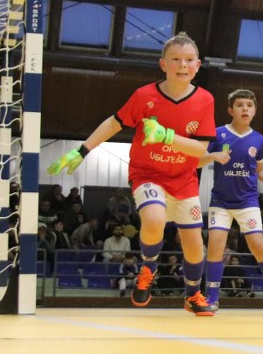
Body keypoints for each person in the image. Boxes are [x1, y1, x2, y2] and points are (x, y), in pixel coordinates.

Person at [46, 32, 217, 315]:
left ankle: (192, 295)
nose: (182, 65)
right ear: (163, 64)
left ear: (198, 65)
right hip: (147, 173)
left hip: (184, 179)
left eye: (189, 60)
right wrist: (82, 151)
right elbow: (114, 123)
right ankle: (148, 268)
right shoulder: (144, 96)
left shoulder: (205, 100)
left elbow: (200, 149)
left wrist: (166, 136)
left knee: (195, 244)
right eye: (176, 59)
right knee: (154, 218)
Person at [199, 89, 263, 314]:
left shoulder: (258, 139)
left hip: (247, 202)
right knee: (215, 246)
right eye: (240, 105)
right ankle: (212, 298)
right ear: (230, 110)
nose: (245, 108)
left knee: (258, 245)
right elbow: (196, 161)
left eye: (249, 105)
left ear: (254, 111)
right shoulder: (218, 134)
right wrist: (212, 156)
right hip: (221, 202)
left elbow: (259, 170)